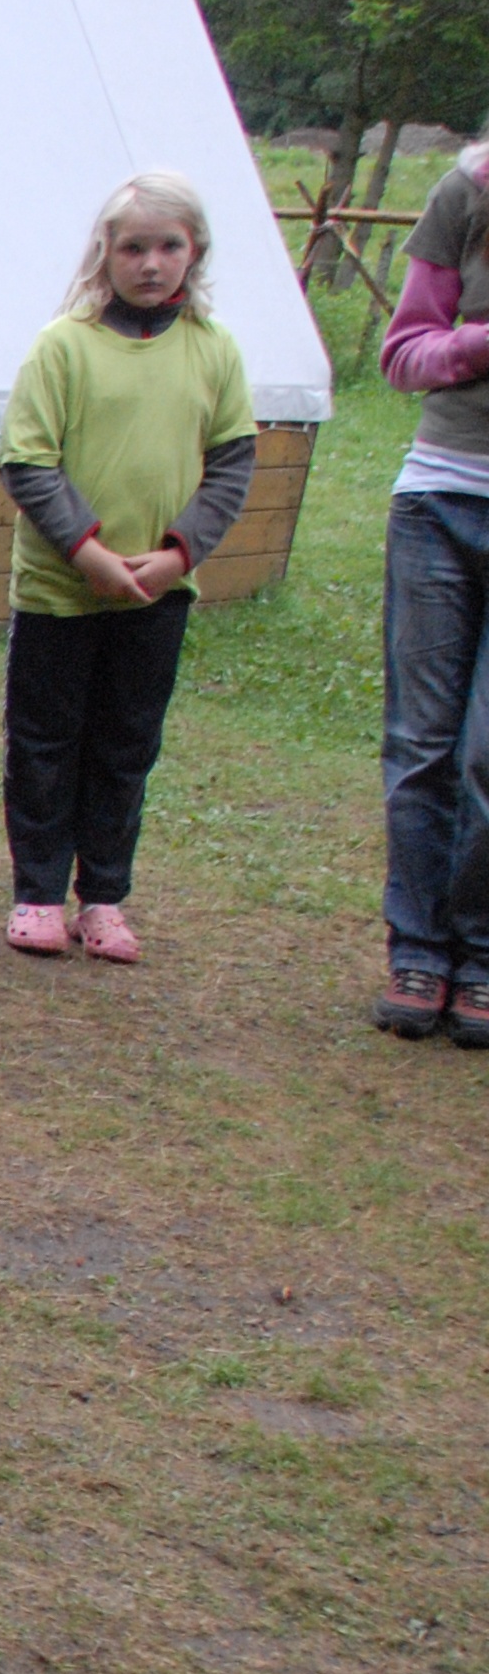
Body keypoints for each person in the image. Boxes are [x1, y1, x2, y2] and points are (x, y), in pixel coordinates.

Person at [0, 170, 253, 966]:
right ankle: (39, 892)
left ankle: (103, 896)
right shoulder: (63, 345)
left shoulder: (213, 350)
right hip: (60, 592)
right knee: (44, 744)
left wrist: (177, 554)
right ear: (105, 251)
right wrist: (90, 553)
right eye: (134, 247)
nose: (151, 263)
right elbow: (27, 460)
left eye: (168, 246)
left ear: (194, 251)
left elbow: (231, 464)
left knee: (125, 745)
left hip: (156, 594)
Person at [372, 140, 489, 1044]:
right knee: (424, 745)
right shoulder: (469, 190)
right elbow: (404, 352)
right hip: (441, 502)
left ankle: (479, 953)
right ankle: (418, 948)